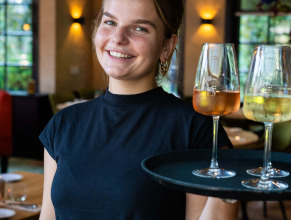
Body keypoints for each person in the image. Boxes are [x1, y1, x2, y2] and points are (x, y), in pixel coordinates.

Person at [39, 0, 239, 219]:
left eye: (139, 28)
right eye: (110, 22)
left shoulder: (195, 129)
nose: (117, 38)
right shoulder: (63, 123)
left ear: (167, 46)